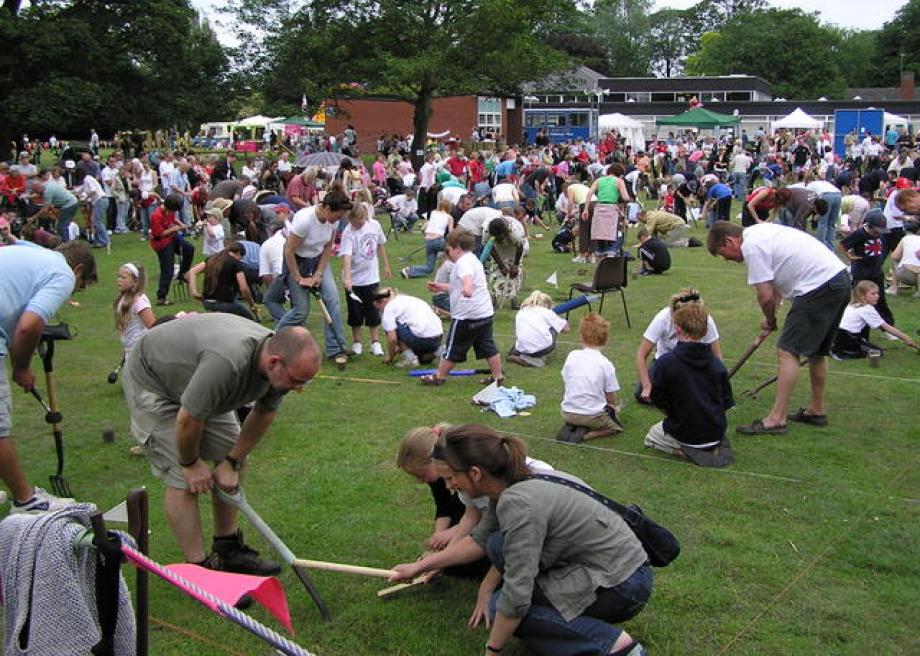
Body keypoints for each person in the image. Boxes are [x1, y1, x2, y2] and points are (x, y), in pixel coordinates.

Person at [389, 425, 651, 656]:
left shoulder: (518, 503)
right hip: (611, 569)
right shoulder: (506, 485)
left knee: (501, 608)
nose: (448, 486)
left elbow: (517, 594)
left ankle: (614, 646)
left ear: (476, 473)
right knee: (495, 547)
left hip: (623, 584)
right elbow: (477, 541)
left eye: (450, 478)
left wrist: (493, 649)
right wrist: (419, 567)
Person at [122, 316, 321, 574]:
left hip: (199, 382)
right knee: (182, 478)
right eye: (297, 381)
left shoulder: (275, 360)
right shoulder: (228, 362)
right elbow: (188, 419)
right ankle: (200, 570)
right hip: (154, 383)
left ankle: (227, 551)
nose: (299, 389)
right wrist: (191, 463)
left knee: (232, 455)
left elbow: (264, 412)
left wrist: (232, 462)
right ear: (274, 363)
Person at [707, 221, 850, 435]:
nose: (728, 260)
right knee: (817, 352)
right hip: (838, 281)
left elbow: (764, 296)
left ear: (730, 241)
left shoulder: (751, 246)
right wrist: (771, 317)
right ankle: (816, 410)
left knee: (787, 351)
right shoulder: (760, 233)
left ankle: (777, 419)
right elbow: (773, 288)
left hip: (818, 287)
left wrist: (770, 319)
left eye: (723, 253)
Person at [0, 241, 97, 513]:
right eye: (79, 288)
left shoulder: (36, 252)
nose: (70, 294)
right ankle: (26, 499)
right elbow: (29, 325)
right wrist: (20, 367)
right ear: (78, 270)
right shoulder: (63, 273)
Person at [394, 425, 492, 580]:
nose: (420, 480)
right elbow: (449, 510)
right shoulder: (451, 479)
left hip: (492, 527)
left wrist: (450, 536)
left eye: (421, 475)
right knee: (454, 560)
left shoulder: (473, 480)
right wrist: (440, 540)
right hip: (477, 522)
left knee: (480, 557)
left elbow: (482, 525)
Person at [645, 303, 735, 467]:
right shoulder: (717, 365)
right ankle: (710, 448)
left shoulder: (665, 363)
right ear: (706, 331)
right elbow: (726, 402)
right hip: (715, 431)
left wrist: (674, 415)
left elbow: (658, 399)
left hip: (684, 431)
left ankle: (687, 452)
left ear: (677, 329)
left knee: (651, 436)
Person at [277, 188, 353, 361]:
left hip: (318, 260)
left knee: (332, 299)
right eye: (338, 216)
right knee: (301, 311)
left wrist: (318, 274)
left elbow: (328, 246)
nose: (338, 220)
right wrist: (298, 277)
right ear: (327, 208)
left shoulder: (332, 221)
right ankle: (273, 339)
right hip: (297, 261)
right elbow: (288, 250)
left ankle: (336, 349)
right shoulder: (305, 220)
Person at [420, 230, 503, 386]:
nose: (448, 253)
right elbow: (456, 286)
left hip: (467, 316)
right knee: (487, 346)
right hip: (484, 313)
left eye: (448, 250)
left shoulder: (463, 262)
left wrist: (467, 287)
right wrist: (441, 287)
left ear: (457, 248)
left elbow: (467, 278)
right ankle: (497, 377)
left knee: (453, 348)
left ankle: (440, 376)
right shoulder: (473, 259)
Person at [634, 288, 722, 405]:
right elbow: (641, 355)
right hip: (665, 365)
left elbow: (717, 357)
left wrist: (717, 383)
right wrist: (646, 386)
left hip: (694, 363)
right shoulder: (662, 318)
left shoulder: (706, 320)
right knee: (643, 394)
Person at [559, 313, 624, 442]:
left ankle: (574, 426)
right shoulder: (605, 364)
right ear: (606, 338)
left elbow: (566, 379)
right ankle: (585, 436)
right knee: (616, 428)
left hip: (567, 412)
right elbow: (610, 396)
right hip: (591, 415)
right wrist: (614, 408)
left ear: (581, 337)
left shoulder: (572, 355)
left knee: (586, 413)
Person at [339, 203, 391, 356]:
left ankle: (375, 343)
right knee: (355, 312)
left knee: (373, 310)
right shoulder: (348, 232)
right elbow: (346, 256)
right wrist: (348, 278)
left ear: (365, 217)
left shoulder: (374, 225)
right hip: (354, 279)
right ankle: (357, 342)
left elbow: (380, 245)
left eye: (359, 221)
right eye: (353, 222)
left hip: (371, 277)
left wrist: (386, 265)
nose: (356, 224)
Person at [831, 280, 917, 359]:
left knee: (869, 346)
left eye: (877, 293)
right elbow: (885, 327)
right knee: (877, 352)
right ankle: (841, 353)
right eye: (873, 294)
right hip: (847, 337)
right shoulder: (866, 308)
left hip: (836, 334)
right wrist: (906, 338)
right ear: (862, 295)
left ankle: (837, 348)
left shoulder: (853, 304)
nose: (877, 296)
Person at [839, 209, 895, 326]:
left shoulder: (882, 235)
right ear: (869, 226)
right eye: (876, 231)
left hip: (876, 271)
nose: (878, 234)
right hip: (861, 273)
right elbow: (842, 245)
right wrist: (849, 257)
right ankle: (855, 325)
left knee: (880, 299)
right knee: (860, 300)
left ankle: (888, 325)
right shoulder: (859, 234)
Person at [188, 242, 259, 320]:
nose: (240, 260)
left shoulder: (212, 259)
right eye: (241, 257)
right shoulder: (235, 263)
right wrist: (252, 304)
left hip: (207, 302)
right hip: (224, 303)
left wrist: (194, 293)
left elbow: (192, 271)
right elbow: (244, 288)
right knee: (248, 319)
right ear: (239, 253)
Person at [374, 287, 443, 367]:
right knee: (423, 360)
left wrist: (390, 357)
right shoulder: (409, 299)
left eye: (378, 308)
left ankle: (410, 359)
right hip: (437, 337)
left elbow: (392, 339)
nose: (379, 311)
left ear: (383, 301)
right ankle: (438, 351)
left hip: (421, 338)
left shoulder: (389, 308)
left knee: (391, 327)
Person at [149, 193, 195, 306]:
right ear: (168, 207)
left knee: (189, 249)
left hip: (172, 238)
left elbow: (173, 218)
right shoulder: (156, 216)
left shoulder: (171, 210)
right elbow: (159, 234)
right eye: (173, 210)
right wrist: (176, 228)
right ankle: (161, 297)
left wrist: (182, 224)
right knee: (167, 269)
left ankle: (182, 274)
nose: (173, 212)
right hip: (161, 243)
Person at [507, 290, 568, 368]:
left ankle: (516, 353)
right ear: (546, 304)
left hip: (521, 347)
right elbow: (566, 328)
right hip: (541, 348)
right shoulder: (547, 312)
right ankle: (529, 360)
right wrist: (558, 319)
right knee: (553, 328)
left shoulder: (521, 311)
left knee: (526, 330)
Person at [401, 197, 453, 278]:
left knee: (429, 268)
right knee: (453, 251)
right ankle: (451, 271)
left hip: (429, 241)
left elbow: (423, 228)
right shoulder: (449, 217)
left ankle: (409, 270)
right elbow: (451, 233)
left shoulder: (433, 213)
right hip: (439, 240)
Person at [113, 262, 155, 356]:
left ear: (135, 282)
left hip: (141, 351)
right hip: (131, 350)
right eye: (118, 276)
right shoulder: (123, 298)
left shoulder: (139, 301)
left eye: (123, 278)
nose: (119, 280)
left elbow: (153, 327)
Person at [889, 221, 920, 296]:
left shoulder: (905, 239)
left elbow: (894, 257)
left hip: (907, 275)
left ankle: (894, 288)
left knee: (895, 261)